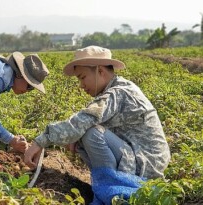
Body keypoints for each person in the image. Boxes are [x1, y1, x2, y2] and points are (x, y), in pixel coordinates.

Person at [24, 46, 170, 203]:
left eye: (82, 77)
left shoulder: (118, 93)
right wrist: (75, 137)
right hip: (141, 160)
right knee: (84, 133)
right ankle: (107, 190)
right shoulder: (119, 88)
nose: (81, 85)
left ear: (100, 71)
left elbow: (84, 120)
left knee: (92, 133)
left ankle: (112, 195)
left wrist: (40, 141)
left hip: (146, 166)